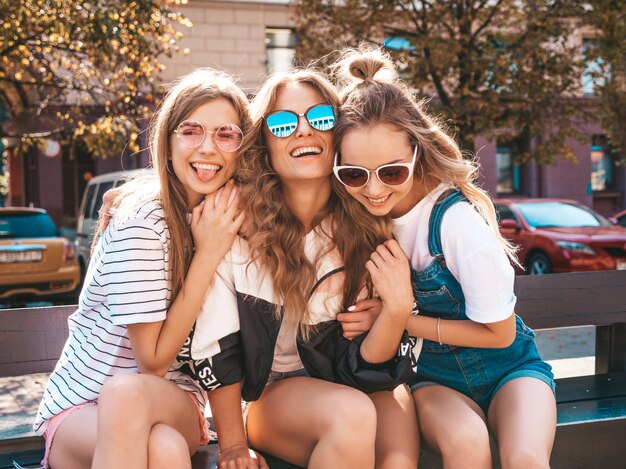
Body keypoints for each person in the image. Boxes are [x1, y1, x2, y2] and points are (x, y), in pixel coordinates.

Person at [331, 48, 556, 469]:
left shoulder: (456, 224)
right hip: (433, 380)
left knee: (524, 458)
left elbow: (500, 335)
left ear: (418, 154)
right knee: (467, 443)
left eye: (392, 171)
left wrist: (394, 317)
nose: (374, 189)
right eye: (355, 175)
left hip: (511, 369)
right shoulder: (358, 223)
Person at [184, 68, 420, 469]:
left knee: (395, 454)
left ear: (338, 136)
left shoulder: (369, 219)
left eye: (321, 118)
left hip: (355, 381)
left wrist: (396, 312)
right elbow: (215, 345)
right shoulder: (235, 223)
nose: (303, 131)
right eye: (281, 123)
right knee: (351, 414)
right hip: (273, 395)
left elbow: (377, 365)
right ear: (263, 142)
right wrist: (233, 447)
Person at [32, 68, 265, 469]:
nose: (208, 147)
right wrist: (207, 256)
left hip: (174, 401)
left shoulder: (231, 212)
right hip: (83, 405)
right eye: (191, 131)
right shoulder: (141, 222)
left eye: (226, 134)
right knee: (161, 444)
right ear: (168, 140)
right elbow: (152, 362)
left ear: (241, 148)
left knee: (134, 402)